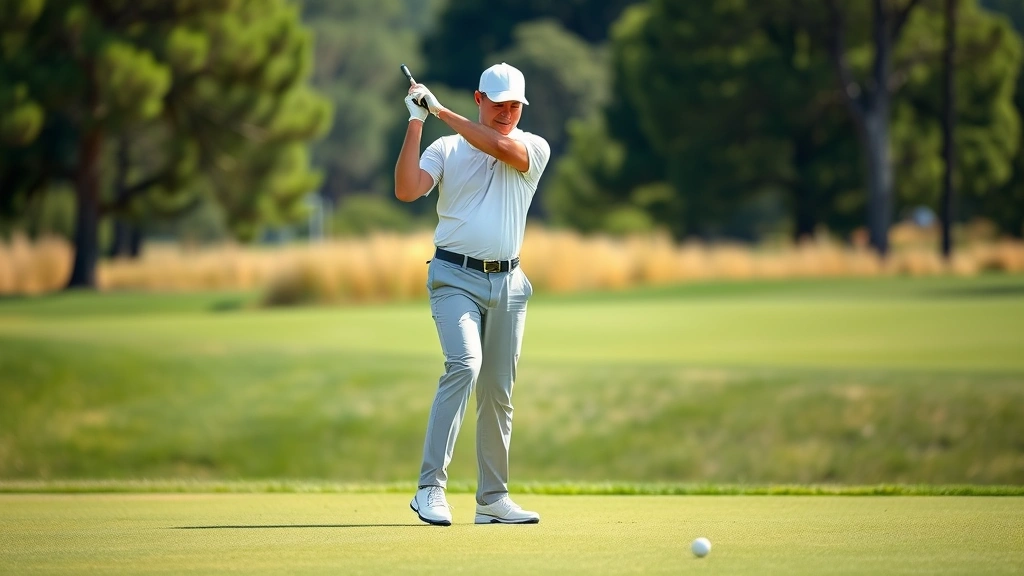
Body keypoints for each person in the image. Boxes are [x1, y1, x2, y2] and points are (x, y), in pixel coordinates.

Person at [394, 62, 550, 526]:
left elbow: (500, 148)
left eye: (515, 106)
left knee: (498, 392)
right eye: (498, 104)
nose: (507, 114)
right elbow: (407, 190)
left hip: (510, 285)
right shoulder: (445, 148)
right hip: (453, 277)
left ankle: (492, 500)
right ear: (480, 99)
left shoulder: (532, 146)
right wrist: (417, 121)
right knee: (464, 365)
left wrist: (440, 110)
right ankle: (430, 488)